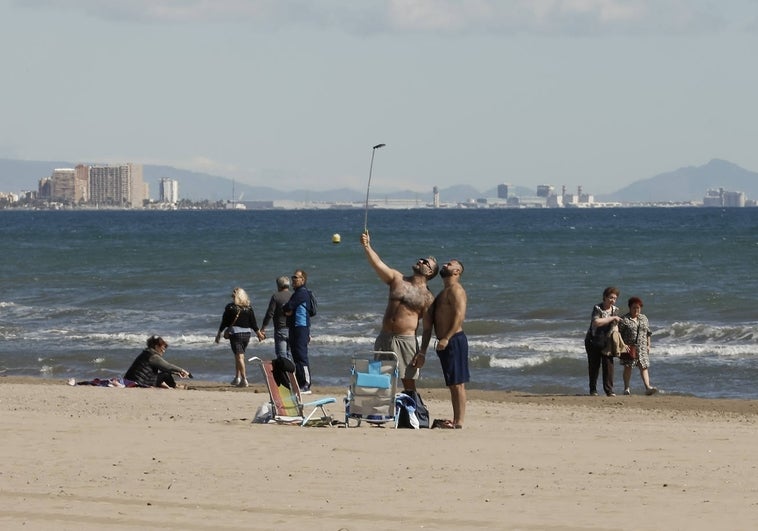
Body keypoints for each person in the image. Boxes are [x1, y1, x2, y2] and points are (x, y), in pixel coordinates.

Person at [360, 231, 438, 392]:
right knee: (379, 380)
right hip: (384, 337)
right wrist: (367, 246)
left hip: (406, 340)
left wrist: (422, 353)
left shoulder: (428, 297)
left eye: (425, 262)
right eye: (421, 259)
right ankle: (378, 413)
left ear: (430, 272)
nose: (421, 261)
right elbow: (378, 264)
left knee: (408, 382)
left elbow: (428, 328)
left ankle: (412, 414)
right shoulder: (397, 279)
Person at [419, 259, 468, 429]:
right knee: (452, 383)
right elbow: (429, 324)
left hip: (454, 339)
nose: (446, 264)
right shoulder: (442, 293)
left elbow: (459, 315)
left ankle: (459, 421)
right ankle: (455, 420)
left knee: (458, 383)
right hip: (444, 342)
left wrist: (446, 337)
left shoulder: (456, 290)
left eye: (451, 264)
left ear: (457, 272)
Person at [215, 287, 264, 388]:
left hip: (236, 334)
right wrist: (258, 333)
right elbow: (253, 323)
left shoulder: (230, 308)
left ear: (235, 296)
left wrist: (219, 333)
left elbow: (224, 322)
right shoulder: (249, 308)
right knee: (238, 356)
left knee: (239, 356)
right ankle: (237, 378)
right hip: (247, 334)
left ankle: (244, 379)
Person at [618, 296, 658, 396]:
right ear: (630, 308)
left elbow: (648, 332)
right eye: (634, 308)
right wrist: (622, 345)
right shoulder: (624, 319)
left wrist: (649, 345)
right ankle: (626, 388)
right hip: (629, 347)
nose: (636, 310)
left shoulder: (644, 318)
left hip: (642, 347)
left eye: (638, 308)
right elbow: (618, 333)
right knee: (628, 367)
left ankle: (648, 387)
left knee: (644, 367)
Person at [587, 286, 622, 397]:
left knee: (609, 366)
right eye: (611, 297)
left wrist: (620, 342)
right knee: (594, 366)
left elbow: (615, 327)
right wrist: (612, 318)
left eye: (615, 298)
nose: (612, 300)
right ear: (605, 297)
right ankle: (593, 390)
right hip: (593, 340)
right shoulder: (598, 308)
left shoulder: (615, 310)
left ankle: (609, 391)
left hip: (607, 342)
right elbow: (596, 322)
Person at [282, 269, 313, 393]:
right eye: (293, 277)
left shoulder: (302, 293)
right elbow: (286, 309)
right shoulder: (296, 293)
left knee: (301, 356)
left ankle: (306, 384)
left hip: (301, 327)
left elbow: (288, 307)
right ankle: (300, 383)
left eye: (296, 277)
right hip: (295, 327)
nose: (293, 280)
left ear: (302, 280)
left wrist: (288, 309)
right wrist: (287, 309)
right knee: (296, 356)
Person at [123, 335, 191, 389]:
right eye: (162, 349)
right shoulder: (153, 356)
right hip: (140, 382)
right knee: (166, 375)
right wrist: (183, 371)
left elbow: (162, 368)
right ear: (156, 347)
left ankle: (170, 386)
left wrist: (176, 372)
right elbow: (168, 366)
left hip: (130, 380)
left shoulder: (146, 353)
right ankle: (175, 386)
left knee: (164, 374)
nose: (164, 351)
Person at [260, 276, 291, 361]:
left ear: (279, 285)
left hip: (281, 329)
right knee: (289, 354)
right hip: (292, 329)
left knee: (282, 355)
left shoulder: (276, 296)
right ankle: (291, 373)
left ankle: (284, 373)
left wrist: (263, 328)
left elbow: (270, 313)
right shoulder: (293, 296)